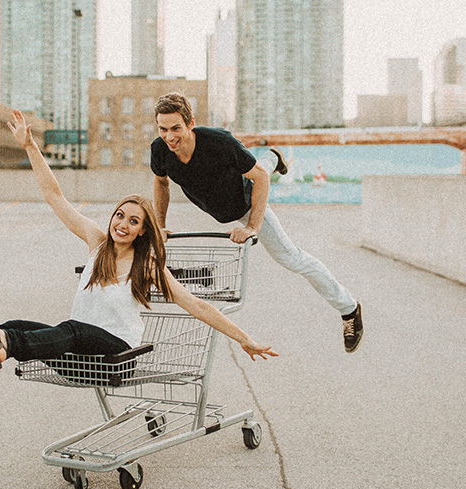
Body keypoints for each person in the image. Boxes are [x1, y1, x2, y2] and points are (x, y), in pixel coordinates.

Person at [0, 110, 278, 383]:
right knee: (17, 326)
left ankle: (4, 342)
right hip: (78, 356)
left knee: (65, 330)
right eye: (120, 216)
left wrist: (246, 340)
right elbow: (55, 196)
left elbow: (199, 306)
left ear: (143, 231)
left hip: (116, 358)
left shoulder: (147, 266)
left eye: (134, 221)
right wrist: (30, 146)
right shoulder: (96, 241)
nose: (122, 224)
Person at [150, 92, 363, 353]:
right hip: (219, 205)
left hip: (246, 203)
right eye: (163, 129)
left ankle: (349, 308)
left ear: (190, 123)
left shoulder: (220, 142)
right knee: (256, 167)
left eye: (176, 128)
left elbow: (260, 179)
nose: (169, 136)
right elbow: (161, 183)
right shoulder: (160, 150)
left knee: (291, 257)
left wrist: (252, 227)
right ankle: (274, 158)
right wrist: (159, 225)